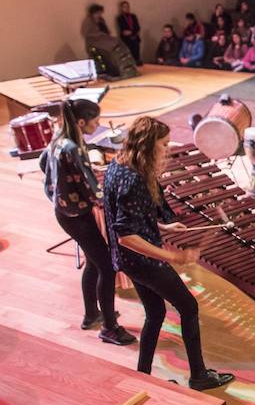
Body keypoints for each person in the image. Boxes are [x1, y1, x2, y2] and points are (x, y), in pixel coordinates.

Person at [102, 116, 234, 390]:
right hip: (141, 261)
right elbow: (126, 236)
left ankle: (143, 374)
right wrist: (172, 257)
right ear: (148, 146)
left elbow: (126, 215)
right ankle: (198, 376)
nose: (167, 149)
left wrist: (160, 223)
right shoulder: (134, 179)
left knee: (155, 312)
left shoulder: (118, 164)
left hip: (128, 261)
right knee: (188, 306)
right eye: (163, 144)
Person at [39, 100, 135, 345]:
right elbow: (92, 191)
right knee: (107, 266)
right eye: (96, 120)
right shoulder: (73, 148)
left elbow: (43, 163)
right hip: (76, 216)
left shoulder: (59, 138)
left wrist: (64, 184)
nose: (99, 124)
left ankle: (92, 314)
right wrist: (116, 196)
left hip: (64, 212)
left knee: (94, 261)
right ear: (81, 122)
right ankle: (110, 329)